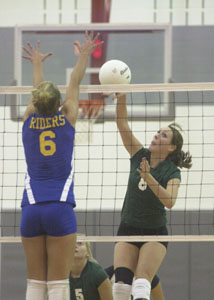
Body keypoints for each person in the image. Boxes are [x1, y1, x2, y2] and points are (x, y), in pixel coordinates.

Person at [20, 32, 103, 300]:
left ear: (35, 103)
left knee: (35, 282)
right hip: (60, 206)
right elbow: (75, 81)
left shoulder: (28, 120)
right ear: (59, 104)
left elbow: (38, 94)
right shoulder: (67, 117)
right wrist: (84, 55)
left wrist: (36, 65)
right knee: (57, 284)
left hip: (31, 208)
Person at [113, 93, 192, 300]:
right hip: (128, 227)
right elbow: (122, 123)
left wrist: (148, 177)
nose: (157, 135)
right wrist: (121, 96)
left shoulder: (172, 172)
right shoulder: (139, 155)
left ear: (172, 147)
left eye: (164, 135)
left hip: (154, 233)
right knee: (120, 285)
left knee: (141, 283)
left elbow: (170, 201)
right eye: (158, 132)